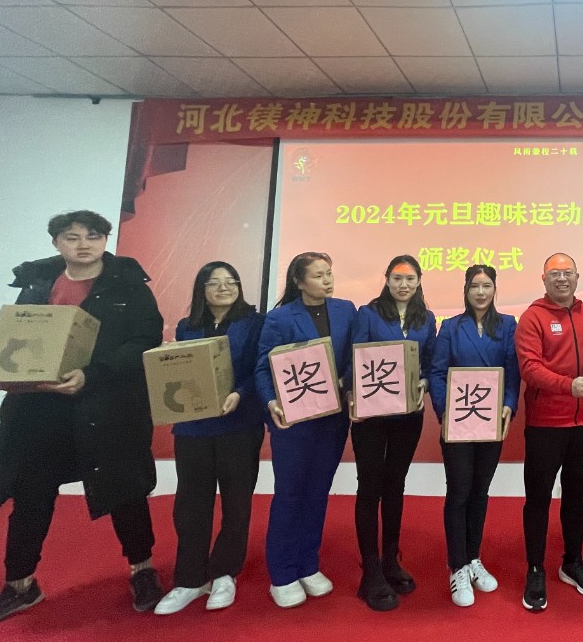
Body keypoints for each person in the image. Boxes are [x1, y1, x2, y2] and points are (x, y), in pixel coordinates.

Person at [0, 211, 165, 637]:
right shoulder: (36, 285)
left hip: (106, 407)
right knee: (31, 495)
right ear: (56, 243)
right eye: (72, 237)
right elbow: (11, 336)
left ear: (105, 240)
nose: (83, 244)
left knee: (124, 490)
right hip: (39, 411)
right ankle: (20, 585)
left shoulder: (128, 286)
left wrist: (92, 375)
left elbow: (145, 341)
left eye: (93, 236)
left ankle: (142, 569)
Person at [154, 262, 265, 615]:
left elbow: (260, 368)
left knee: (237, 502)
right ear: (201, 289)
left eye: (230, 281)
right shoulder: (187, 326)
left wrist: (241, 393)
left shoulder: (255, 323)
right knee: (191, 504)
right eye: (214, 283)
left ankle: (224, 573)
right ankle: (190, 578)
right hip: (193, 427)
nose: (223, 288)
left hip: (239, 425)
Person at [254, 252, 355, 609]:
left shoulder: (345, 310)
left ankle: (308, 564)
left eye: (329, 273)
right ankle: (282, 573)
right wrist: (271, 402)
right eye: (318, 275)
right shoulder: (280, 318)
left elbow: (354, 357)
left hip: (332, 419)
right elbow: (263, 368)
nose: (327, 280)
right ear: (299, 282)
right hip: (294, 422)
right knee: (290, 493)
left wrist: (347, 381)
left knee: (318, 492)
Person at [349, 255, 437, 612]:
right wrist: (352, 393)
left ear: (419, 281)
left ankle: (390, 559)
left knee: (395, 483)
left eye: (410, 279)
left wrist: (425, 383)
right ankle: (370, 569)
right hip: (371, 416)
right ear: (386, 279)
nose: (404, 284)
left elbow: (430, 363)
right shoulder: (368, 314)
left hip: (407, 416)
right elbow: (353, 358)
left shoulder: (426, 318)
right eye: (398, 278)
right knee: (370, 486)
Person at [516, 252, 583, 612]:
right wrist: (569, 386)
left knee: (578, 494)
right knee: (538, 497)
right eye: (555, 273)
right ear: (544, 279)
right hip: (546, 424)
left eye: (568, 273)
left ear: (578, 277)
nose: (562, 278)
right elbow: (530, 368)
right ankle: (535, 568)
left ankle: (572, 561)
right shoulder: (532, 317)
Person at [429, 265, 519, 607]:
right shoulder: (451, 327)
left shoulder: (507, 325)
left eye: (487, 286)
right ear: (465, 290)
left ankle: (473, 557)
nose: (481, 292)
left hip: (490, 422)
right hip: (458, 422)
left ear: (495, 289)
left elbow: (512, 372)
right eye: (474, 286)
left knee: (480, 491)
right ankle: (457, 566)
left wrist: (508, 404)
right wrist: (444, 412)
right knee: (459, 492)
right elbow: (437, 373)